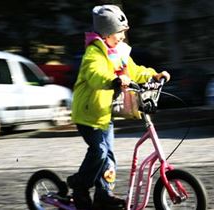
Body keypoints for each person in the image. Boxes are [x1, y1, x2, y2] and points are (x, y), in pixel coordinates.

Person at [67, 4, 170, 210]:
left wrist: (153, 75)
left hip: (105, 113)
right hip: (88, 114)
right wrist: (114, 80)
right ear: (106, 33)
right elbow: (95, 75)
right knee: (99, 151)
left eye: (123, 32)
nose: (123, 36)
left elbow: (134, 70)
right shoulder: (94, 53)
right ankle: (79, 185)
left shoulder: (118, 52)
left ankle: (103, 195)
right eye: (119, 32)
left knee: (109, 155)